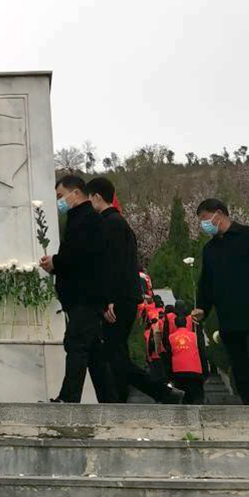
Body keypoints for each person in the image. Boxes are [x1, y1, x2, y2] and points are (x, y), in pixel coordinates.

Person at [87, 177, 177, 404]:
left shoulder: (111, 224)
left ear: (96, 197)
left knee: (113, 356)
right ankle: (121, 398)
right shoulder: (118, 223)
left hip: (118, 300)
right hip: (124, 298)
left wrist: (108, 300)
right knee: (117, 354)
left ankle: (163, 393)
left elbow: (113, 266)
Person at [192, 199, 249, 404]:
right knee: (239, 367)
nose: (204, 225)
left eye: (205, 219)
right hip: (228, 318)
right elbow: (207, 282)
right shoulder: (210, 249)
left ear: (219, 214)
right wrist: (203, 308)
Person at [40, 172, 114, 403]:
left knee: (77, 345)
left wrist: (57, 262)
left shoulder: (88, 220)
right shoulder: (79, 219)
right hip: (82, 296)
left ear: (76, 193)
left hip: (85, 296)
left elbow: (81, 257)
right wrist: (56, 266)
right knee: (93, 353)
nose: (59, 201)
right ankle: (110, 401)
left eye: (61, 195)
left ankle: (69, 397)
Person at [163, 299, 210, 403]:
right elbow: (202, 350)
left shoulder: (169, 327)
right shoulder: (195, 333)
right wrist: (205, 370)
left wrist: (169, 375)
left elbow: (167, 355)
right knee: (197, 399)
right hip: (195, 369)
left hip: (178, 370)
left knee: (183, 399)